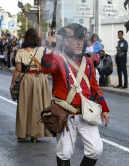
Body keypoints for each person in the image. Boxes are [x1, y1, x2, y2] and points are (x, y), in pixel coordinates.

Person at [41, 23, 109, 166]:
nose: (79, 43)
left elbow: (95, 87)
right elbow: (46, 69)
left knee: (96, 149)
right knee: (64, 152)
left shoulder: (88, 62)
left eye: (81, 39)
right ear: (66, 41)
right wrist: (49, 47)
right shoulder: (58, 58)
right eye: (75, 39)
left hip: (85, 112)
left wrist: (104, 108)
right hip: (65, 113)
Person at [10, 28, 51, 142]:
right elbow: (49, 67)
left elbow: (18, 70)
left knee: (24, 106)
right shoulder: (44, 50)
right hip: (41, 79)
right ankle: (35, 135)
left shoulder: (21, 52)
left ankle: (23, 134)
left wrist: (13, 82)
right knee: (39, 106)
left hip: (27, 79)